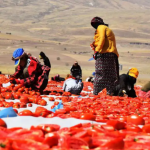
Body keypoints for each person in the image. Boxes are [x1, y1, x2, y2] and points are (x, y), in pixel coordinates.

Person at [90, 17, 119, 95]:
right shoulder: (106, 28)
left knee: (100, 73)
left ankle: (96, 93)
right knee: (110, 74)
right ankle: (111, 92)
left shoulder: (101, 27)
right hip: (111, 54)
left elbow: (102, 38)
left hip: (104, 54)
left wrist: (97, 50)